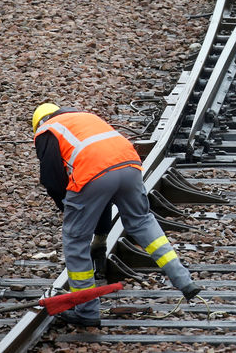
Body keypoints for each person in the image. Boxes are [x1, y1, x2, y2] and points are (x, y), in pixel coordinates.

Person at [32, 103, 201, 326]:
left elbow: (52, 180)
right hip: (129, 165)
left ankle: (87, 311)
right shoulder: (84, 117)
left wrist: (70, 210)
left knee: (75, 240)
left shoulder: (47, 130)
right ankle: (184, 280)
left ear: (39, 123)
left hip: (93, 172)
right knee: (142, 221)